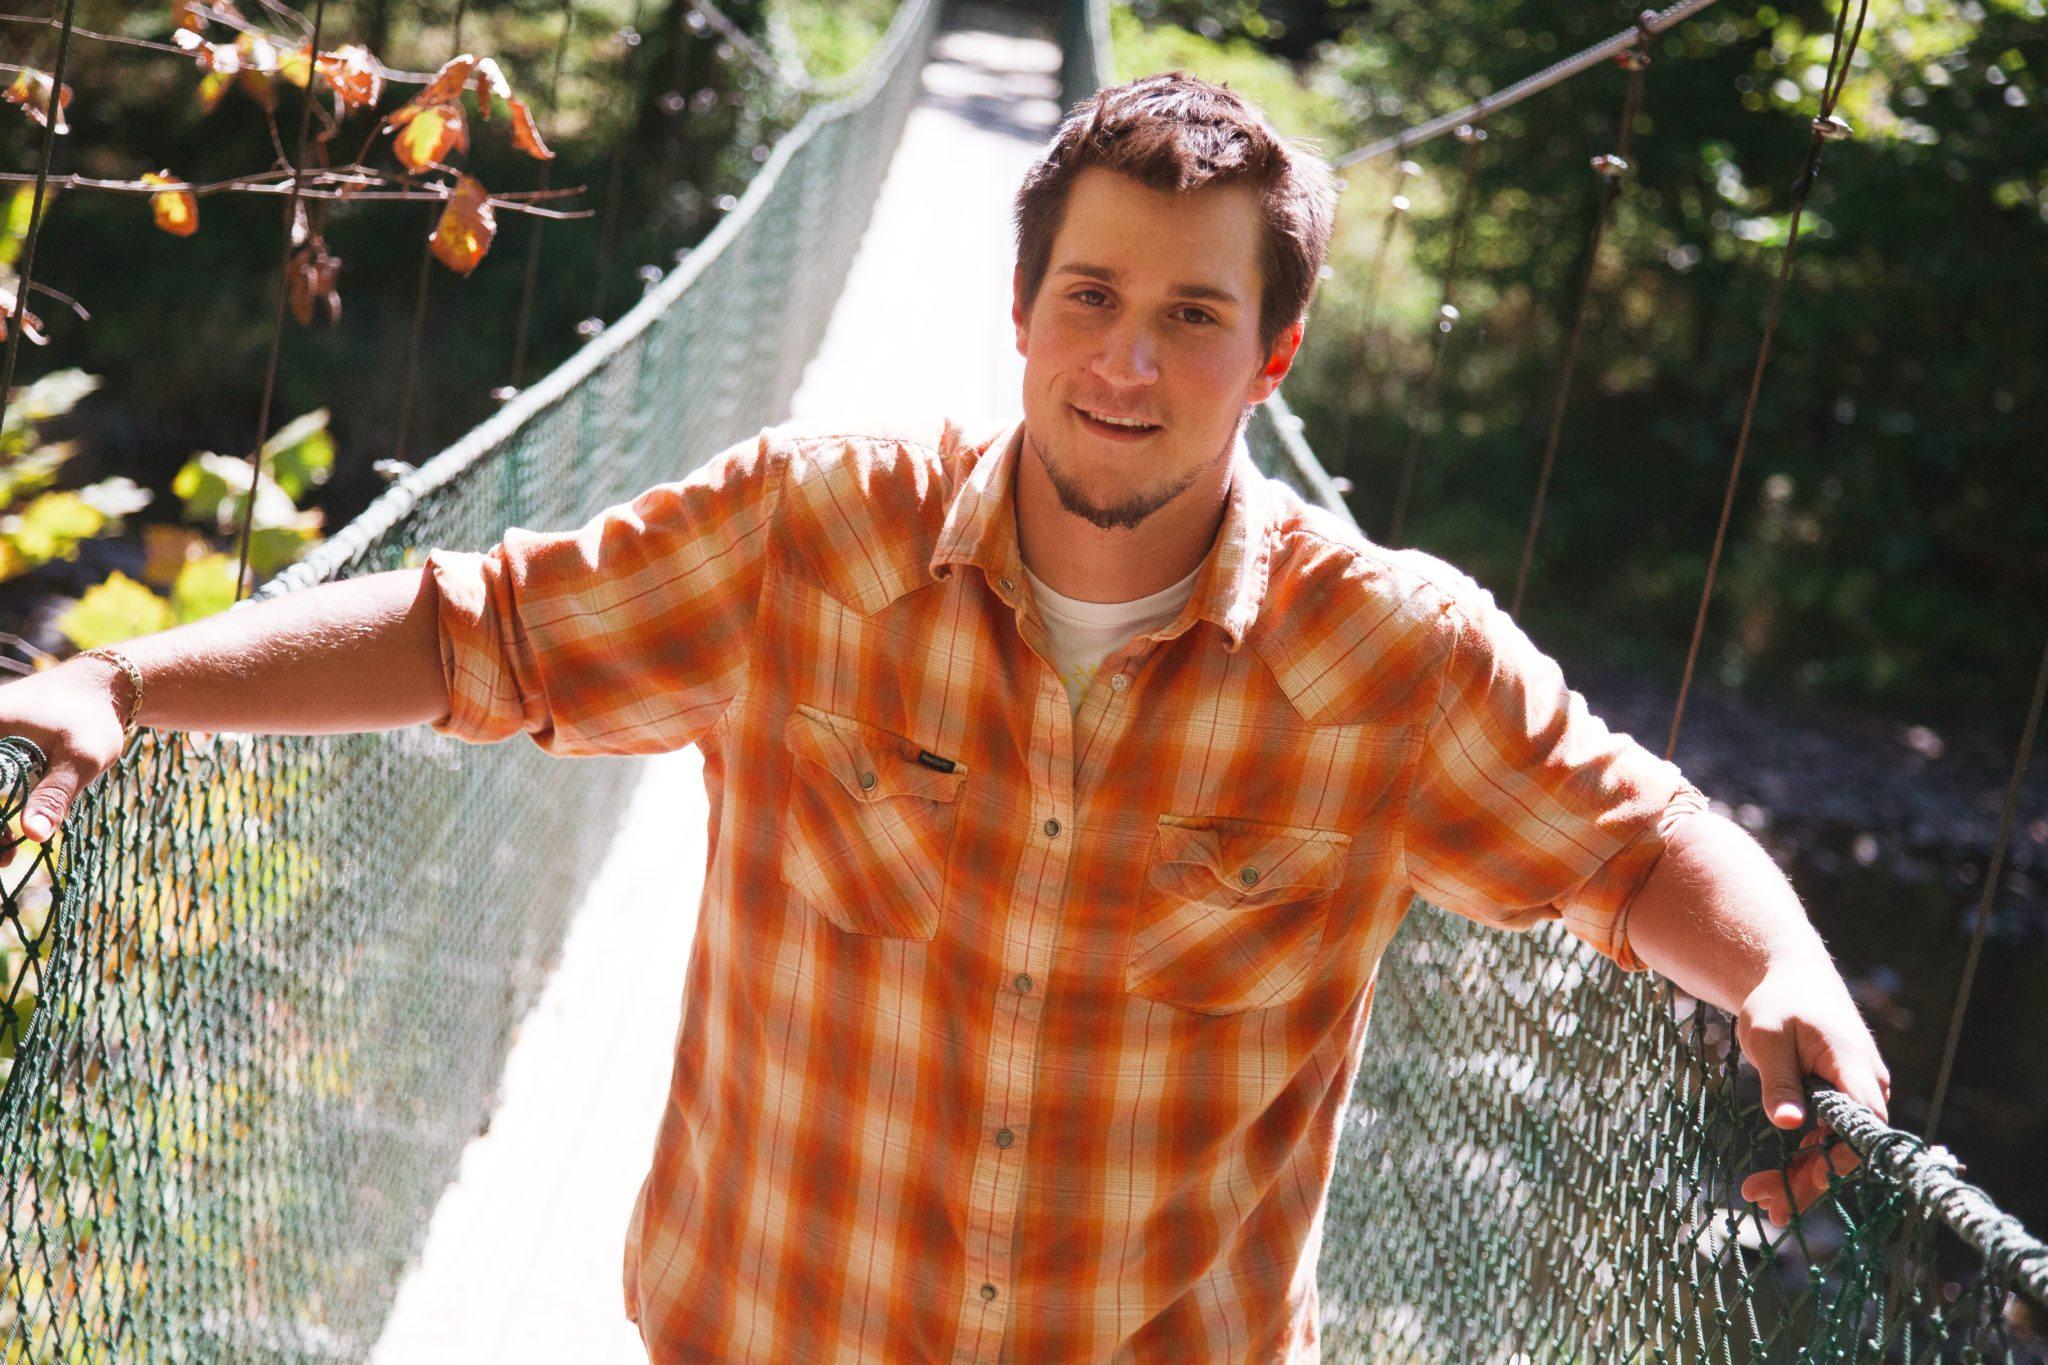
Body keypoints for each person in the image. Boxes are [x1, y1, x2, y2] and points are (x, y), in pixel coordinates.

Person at [0, 72, 1888, 1362]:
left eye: (1195, 318)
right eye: (1090, 296)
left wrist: (1780, 965)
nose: (1128, 362)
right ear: (1019, 308)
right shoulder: (810, 539)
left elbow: (1636, 848)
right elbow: (471, 630)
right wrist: (124, 681)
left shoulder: (1388, 662)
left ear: (1275, 354)